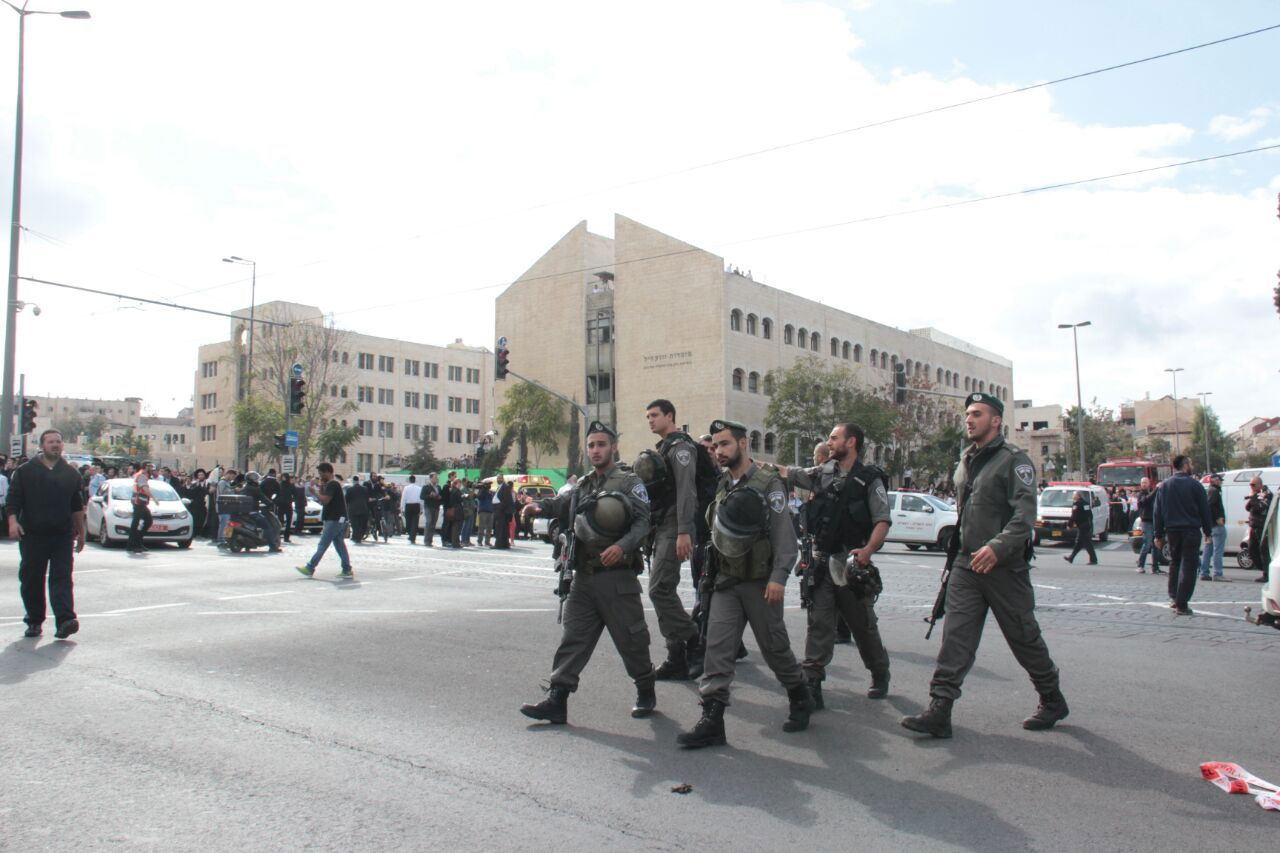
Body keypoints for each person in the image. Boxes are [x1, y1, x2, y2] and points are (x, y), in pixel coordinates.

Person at [902, 392, 1067, 738]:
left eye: (976, 413)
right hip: (966, 564)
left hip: (1003, 567)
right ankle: (940, 709)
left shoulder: (1014, 460)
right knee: (956, 638)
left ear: (995, 420)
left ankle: (1051, 698)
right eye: (967, 414)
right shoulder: (965, 460)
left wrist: (998, 547)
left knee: (1023, 637)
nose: (969, 419)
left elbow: (1025, 517)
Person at [677, 420, 813, 748]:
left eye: (724, 444)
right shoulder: (723, 484)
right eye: (715, 446)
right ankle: (712, 719)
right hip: (726, 582)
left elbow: (785, 536)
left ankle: (799, 693)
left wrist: (779, 577)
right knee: (717, 649)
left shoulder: (768, 483)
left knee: (774, 648)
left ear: (742, 444)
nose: (718, 452)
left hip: (760, 583)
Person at [519, 422, 655, 724]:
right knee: (573, 638)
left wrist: (622, 546)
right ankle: (558, 699)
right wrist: (537, 507)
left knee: (631, 640)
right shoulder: (583, 484)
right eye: (591, 445)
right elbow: (562, 504)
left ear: (613, 447)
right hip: (583, 577)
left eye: (601, 444)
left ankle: (645, 688)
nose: (595, 450)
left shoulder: (630, 482)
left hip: (617, 576)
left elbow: (643, 523)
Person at [779, 423, 892, 706]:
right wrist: (750, 462)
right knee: (818, 624)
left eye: (834, 437)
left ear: (851, 442)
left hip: (851, 564)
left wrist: (867, 551)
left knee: (863, 627)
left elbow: (882, 520)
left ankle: (879, 672)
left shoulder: (869, 479)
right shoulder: (822, 473)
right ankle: (813, 683)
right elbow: (789, 473)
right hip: (820, 561)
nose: (829, 442)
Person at [644, 399, 703, 680]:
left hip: (674, 525)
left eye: (655, 415)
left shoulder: (680, 447)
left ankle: (694, 640)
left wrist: (683, 531)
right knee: (664, 590)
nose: (650, 420)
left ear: (670, 415)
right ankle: (675, 656)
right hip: (662, 524)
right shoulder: (665, 447)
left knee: (659, 589)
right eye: (648, 416)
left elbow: (686, 491)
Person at [7, 429, 86, 639]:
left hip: (61, 536)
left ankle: (65, 619)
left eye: (59, 442)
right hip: (33, 535)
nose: (55, 445)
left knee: (62, 577)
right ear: (42, 445)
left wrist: (82, 532)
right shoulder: (25, 471)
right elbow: (13, 500)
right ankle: (34, 620)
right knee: (32, 578)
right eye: (51, 441)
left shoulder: (71, 473)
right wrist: (13, 522)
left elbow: (76, 505)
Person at [1153, 455, 1212, 616]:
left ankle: (1174, 597)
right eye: (1190, 463)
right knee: (1189, 566)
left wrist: (1158, 534)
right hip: (1191, 530)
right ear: (1185, 465)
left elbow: (1157, 512)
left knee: (1175, 563)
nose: (1191, 465)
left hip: (1172, 531)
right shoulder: (1195, 485)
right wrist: (1208, 532)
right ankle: (1182, 603)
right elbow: (1204, 510)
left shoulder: (1164, 486)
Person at [296, 462, 353, 579]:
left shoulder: (333, 484)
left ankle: (310, 567)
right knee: (339, 544)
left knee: (323, 544)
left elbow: (325, 500)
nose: (320, 475)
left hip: (335, 519)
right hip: (337, 518)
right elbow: (323, 499)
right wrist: (321, 485)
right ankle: (347, 569)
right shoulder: (330, 484)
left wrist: (314, 492)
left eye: (321, 473)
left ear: (328, 472)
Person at [240, 472, 283, 552]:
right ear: (252, 480)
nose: (257, 481)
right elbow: (264, 498)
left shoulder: (244, 488)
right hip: (253, 512)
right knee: (268, 527)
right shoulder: (255, 489)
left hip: (244, 513)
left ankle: (248, 545)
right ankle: (273, 546)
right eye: (256, 479)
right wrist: (271, 503)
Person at [1199, 473, 1226, 581]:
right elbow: (1209, 507)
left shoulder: (1211, 490)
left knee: (1208, 549)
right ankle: (1217, 573)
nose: (1221, 482)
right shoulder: (1214, 491)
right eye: (1220, 480)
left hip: (1210, 525)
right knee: (1217, 550)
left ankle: (1204, 572)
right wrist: (1217, 518)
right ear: (1215, 480)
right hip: (1216, 525)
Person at [1245, 477, 1272, 584]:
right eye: (1250, 485)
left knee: (1264, 551)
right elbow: (1248, 507)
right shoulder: (1255, 494)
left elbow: (1260, 508)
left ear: (1260, 484)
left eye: (1253, 485)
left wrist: (1253, 499)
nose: (1251, 487)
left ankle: (1267, 574)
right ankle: (1263, 569)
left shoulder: (1266, 494)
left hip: (1262, 527)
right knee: (1252, 549)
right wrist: (1252, 498)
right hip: (1253, 526)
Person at [1135, 477, 1164, 574]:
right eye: (1142, 482)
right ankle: (1140, 565)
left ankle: (1155, 567)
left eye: (1146, 482)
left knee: (1155, 545)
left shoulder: (1151, 493)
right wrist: (1156, 489)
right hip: (1146, 522)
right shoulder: (1141, 494)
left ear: (1149, 483)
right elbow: (1145, 501)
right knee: (1147, 544)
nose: (1144, 484)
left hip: (1154, 521)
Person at [1063, 490, 1098, 565]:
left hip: (1082, 526)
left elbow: (1074, 516)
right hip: (1087, 525)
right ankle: (1071, 557)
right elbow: (1090, 515)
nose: (1073, 496)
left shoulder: (1077, 504)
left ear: (1078, 496)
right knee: (1079, 543)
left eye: (1074, 495)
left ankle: (1093, 559)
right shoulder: (1086, 503)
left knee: (1087, 543)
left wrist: (1069, 525)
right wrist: (1090, 525)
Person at [126, 463, 154, 553]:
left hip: (141, 502)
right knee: (136, 523)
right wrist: (154, 498)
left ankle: (137, 542)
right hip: (138, 502)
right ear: (145, 467)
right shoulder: (141, 475)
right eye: (150, 467)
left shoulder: (143, 475)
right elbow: (145, 488)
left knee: (147, 521)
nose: (151, 469)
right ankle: (132, 544)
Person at [345, 475, 371, 543]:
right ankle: (358, 537)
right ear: (358, 481)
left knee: (355, 525)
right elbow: (367, 499)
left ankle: (356, 537)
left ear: (353, 481)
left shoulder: (349, 490)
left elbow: (346, 500)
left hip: (353, 510)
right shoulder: (365, 489)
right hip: (363, 509)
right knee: (362, 524)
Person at [493, 476, 513, 549]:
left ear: (503, 479)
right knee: (502, 528)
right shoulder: (500, 487)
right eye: (498, 478)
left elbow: (506, 500)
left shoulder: (505, 487)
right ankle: (504, 544)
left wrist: (499, 507)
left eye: (500, 478)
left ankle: (499, 545)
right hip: (500, 510)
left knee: (500, 528)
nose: (499, 479)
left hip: (502, 511)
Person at [422, 473, 442, 547]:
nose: (436, 479)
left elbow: (441, 497)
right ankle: (426, 540)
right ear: (430, 478)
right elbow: (422, 496)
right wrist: (430, 495)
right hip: (428, 507)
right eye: (434, 478)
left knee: (433, 523)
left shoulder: (438, 487)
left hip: (436, 507)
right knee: (429, 522)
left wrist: (439, 498)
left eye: (436, 478)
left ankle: (430, 540)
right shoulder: (426, 487)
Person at [401, 474, 422, 544]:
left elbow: (403, 498)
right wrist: (421, 509)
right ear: (415, 480)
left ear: (409, 480)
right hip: (416, 505)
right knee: (415, 522)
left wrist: (402, 508)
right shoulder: (419, 488)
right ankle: (413, 536)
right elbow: (421, 500)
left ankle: (410, 534)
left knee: (408, 521)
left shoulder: (406, 488)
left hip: (408, 506)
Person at [274, 473, 295, 543]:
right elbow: (275, 494)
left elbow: (295, 494)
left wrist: (292, 499)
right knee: (280, 522)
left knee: (288, 523)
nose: (284, 478)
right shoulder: (279, 485)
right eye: (283, 477)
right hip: (281, 505)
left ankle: (286, 537)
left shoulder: (291, 486)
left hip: (288, 505)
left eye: (285, 477)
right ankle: (278, 536)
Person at [476, 480, 494, 547]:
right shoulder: (482, 491)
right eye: (488, 484)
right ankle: (479, 541)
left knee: (489, 528)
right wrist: (483, 489)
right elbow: (479, 497)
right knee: (481, 527)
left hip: (490, 511)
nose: (489, 486)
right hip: (483, 511)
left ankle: (487, 542)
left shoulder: (490, 492)